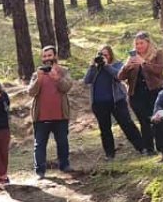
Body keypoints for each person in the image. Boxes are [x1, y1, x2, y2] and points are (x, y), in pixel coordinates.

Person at [84, 45, 144, 159]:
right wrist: (92, 66)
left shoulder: (117, 65)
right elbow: (87, 81)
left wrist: (107, 65)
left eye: (105, 55)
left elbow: (119, 76)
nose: (103, 57)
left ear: (110, 55)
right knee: (105, 129)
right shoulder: (95, 68)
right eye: (101, 55)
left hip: (117, 101)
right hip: (99, 103)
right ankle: (109, 154)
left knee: (127, 124)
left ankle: (141, 147)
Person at [117, 31, 163, 154]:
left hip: (154, 91)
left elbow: (158, 70)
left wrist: (143, 63)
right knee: (144, 122)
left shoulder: (158, 53)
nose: (139, 46)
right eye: (137, 44)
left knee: (158, 119)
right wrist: (126, 67)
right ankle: (149, 149)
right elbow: (120, 77)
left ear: (148, 43)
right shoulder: (132, 57)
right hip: (136, 94)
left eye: (141, 43)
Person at [27, 45, 73, 178]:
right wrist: (39, 79)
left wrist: (57, 78)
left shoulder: (63, 71)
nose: (47, 59)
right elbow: (31, 92)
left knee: (62, 142)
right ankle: (40, 171)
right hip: (41, 117)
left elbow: (67, 87)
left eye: (49, 55)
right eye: (44, 56)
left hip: (60, 116)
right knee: (40, 144)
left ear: (55, 56)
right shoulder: (37, 74)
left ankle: (64, 165)